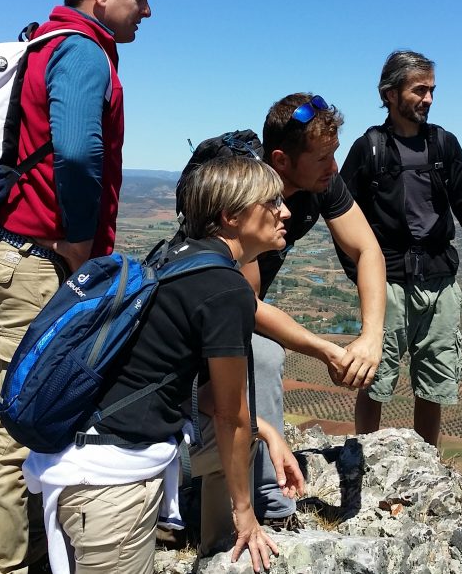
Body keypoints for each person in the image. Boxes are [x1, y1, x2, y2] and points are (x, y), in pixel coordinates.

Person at [0, 0, 156, 574]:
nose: (146, 13)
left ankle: (35, 550)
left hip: (11, 250)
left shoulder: (46, 43)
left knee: (36, 403)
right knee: (18, 415)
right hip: (35, 257)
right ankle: (1, 564)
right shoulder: (80, 51)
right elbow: (77, 154)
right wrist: (78, 241)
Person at [24, 155, 305, 574]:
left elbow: (186, 387)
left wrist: (264, 431)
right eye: (271, 203)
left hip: (79, 452)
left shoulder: (176, 256)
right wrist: (247, 513)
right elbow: (229, 414)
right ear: (230, 216)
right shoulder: (225, 289)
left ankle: (218, 549)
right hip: (110, 486)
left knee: (247, 435)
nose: (285, 212)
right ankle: (233, 534)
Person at [193, 93, 387, 550]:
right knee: (262, 356)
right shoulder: (244, 195)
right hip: (206, 312)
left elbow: (367, 250)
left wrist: (371, 336)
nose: (334, 168)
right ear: (281, 160)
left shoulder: (319, 183)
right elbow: (246, 303)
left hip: (237, 305)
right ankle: (269, 506)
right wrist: (323, 348)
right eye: (322, 157)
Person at [341, 50, 462, 448]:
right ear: (389, 94)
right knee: (374, 379)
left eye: (431, 90)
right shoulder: (368, 149)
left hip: (440, 281)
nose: (428, 99)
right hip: (386, 283)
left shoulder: (444, 145)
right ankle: (362, 464)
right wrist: (361, 276)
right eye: (419, 90)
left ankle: (425, 469)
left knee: (434, 384)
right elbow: (340, 218)